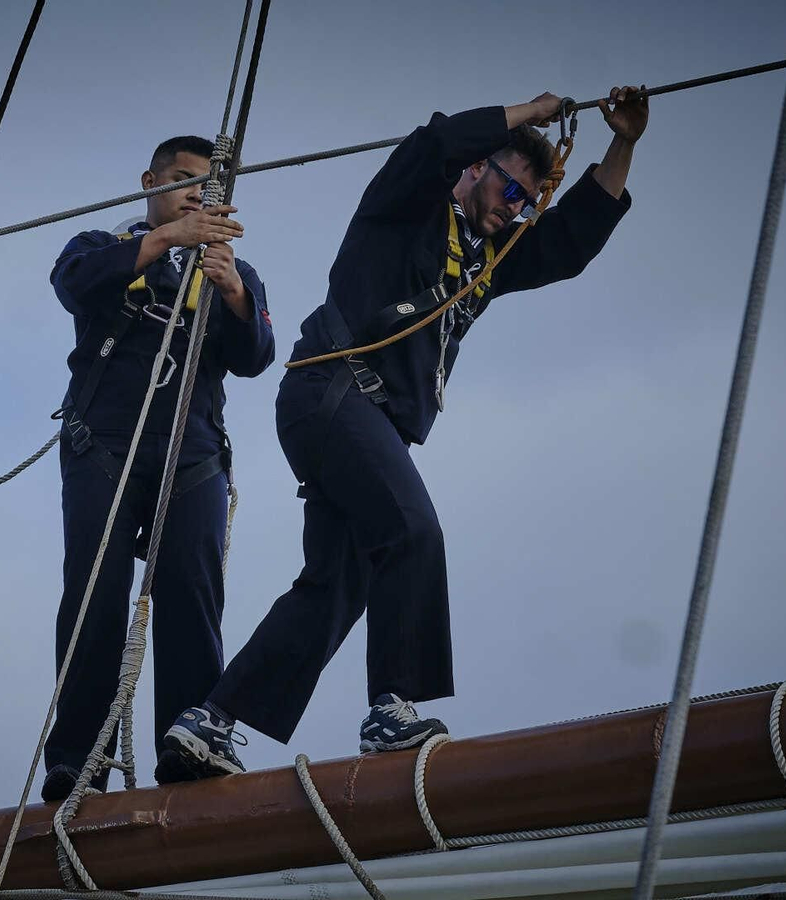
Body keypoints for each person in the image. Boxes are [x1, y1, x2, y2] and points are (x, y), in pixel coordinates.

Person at [161, 87, 649, 778]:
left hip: (359, 422)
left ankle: (211, 719)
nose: (516, 208)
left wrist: (623, 143)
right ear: (477, 168)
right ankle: (392, 708)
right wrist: (525, 114)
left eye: (527, 202)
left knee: (336, 586)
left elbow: (569, 243)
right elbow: (435, 142)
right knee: (414, 530)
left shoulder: (487, 260)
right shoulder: (408, 204)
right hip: (335, 393)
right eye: (511, 189)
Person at [44, 136, 274, 802]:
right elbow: (72, 285)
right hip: (104, 446)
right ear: (150, 182)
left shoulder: (233, 269)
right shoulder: (99, 246)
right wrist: (167, 239)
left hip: (191, 452)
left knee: (191, 600)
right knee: (94, 596)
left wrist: (233, 291)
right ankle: (79, 758)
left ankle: (189, 743)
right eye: (184, 180)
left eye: (209, 186)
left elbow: (256, 357)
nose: (197, 194)